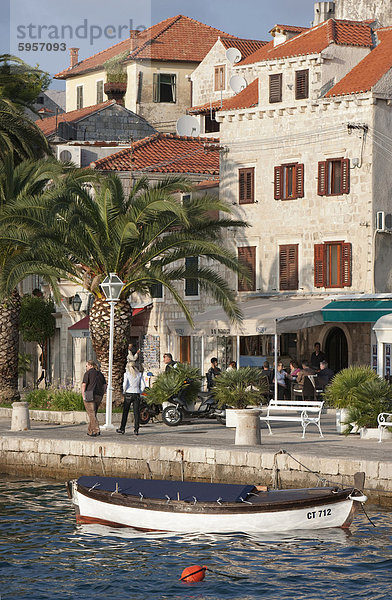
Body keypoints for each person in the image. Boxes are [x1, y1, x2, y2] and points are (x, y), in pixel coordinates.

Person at [116, 358, 146, 436]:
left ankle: (122, 428)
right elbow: (143, 385)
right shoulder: (139, 374)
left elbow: (125, 384)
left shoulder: (127, 374)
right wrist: (140, 391)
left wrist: (124, 391)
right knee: (136, 412)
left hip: (129, 393)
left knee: (125, 412)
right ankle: (136, 429)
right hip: (136, 394)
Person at [81, 361, 107, 437]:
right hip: (99, 395)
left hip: (90, 394)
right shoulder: (100, 374)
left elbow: (84, 385)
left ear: (90, 365)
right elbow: (105, 385)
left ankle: (96, 430)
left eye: (86, 366)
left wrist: (83, 395)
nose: (86, 367)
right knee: (93, 414)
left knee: (91, 414)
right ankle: (90, 431)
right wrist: (103, 393)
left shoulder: (88, 373)